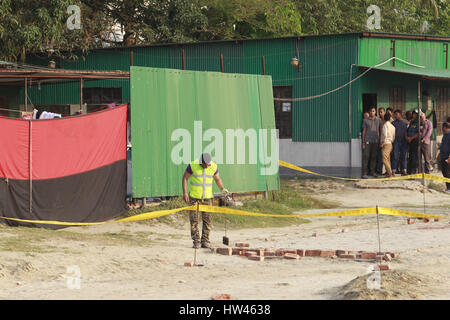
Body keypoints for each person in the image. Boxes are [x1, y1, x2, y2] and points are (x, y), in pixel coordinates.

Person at [182, 153, 228, 249]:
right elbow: (185, 178)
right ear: (201, 162)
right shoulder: (193, 165)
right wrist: (185, 193)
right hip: (194, 198)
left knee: (207, 221)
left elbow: (217, 179)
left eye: (209, 164)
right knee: (194, 220)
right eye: (206, 164)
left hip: (207, 198)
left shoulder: (213, 166)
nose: (208, 166)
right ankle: (196, 241)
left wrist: (222, 188)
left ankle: (205, 241)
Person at [362, 107, 382, 178]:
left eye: (373, 111)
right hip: (367, 141)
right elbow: (364, 131)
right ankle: (364, 172)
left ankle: (372, 172)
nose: (372, 112)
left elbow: (380, 131)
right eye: (370, 111)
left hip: (376, 141)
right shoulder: (365, 120)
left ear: (375, 112)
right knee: (366, 156)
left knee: (374, 157)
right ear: (369, 112)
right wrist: (363, 142)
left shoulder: (379, 120)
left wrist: (380, 141)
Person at [392, 110, 409, 175]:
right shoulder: (393, 123)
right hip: (396, 141)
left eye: (396, 114)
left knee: (404, 156)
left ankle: (404, 170)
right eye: (395, 114)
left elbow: (408, 131)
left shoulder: (406, 123)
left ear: (400, 114)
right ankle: (394, 170)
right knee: (395, 156)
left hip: (404, 141)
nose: (395, 116)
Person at [380, 113, 396, 177]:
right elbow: (394, 136)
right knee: (388, 159)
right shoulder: (393, 126)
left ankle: (390, 172)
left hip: (385, 143)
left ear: (384, 118)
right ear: (390, 119)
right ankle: (388, 172)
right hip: (390, 143)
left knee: (384, 159)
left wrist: (382, 143)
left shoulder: (385, 125)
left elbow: (385, 135)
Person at [406, 110, 420, 174]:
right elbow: (407, 130)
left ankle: (414, 170)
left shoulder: (419, 122)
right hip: (410, 142)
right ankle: (410, 170)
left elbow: (419, 133)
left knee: (415, 157)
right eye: (413, 114)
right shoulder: (412, 122)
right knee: (410, 156)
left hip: (415, 142)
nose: (414, 115)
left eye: (415, 114)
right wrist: (407, 137)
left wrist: (411, 138)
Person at [439, 122, 450, 193]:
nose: (442, 129)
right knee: (444, 172)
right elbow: (443, 146)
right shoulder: (445, 135)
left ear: (445, 127)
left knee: (447, 173)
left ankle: (449, 188)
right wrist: (439, 155)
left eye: (442, 128)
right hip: (443, 156)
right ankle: (448, 188)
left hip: (447, 157)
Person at [376, 107, 386, 174]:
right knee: (380, 156)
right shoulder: (378, 120)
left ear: (384, 112)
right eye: (379, 112)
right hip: (380, 140)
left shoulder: (388, 120)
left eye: (381, 112)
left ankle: (386, 170)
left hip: (386, 141)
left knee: (386, 156)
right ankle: (380, 170)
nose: (380, 113)